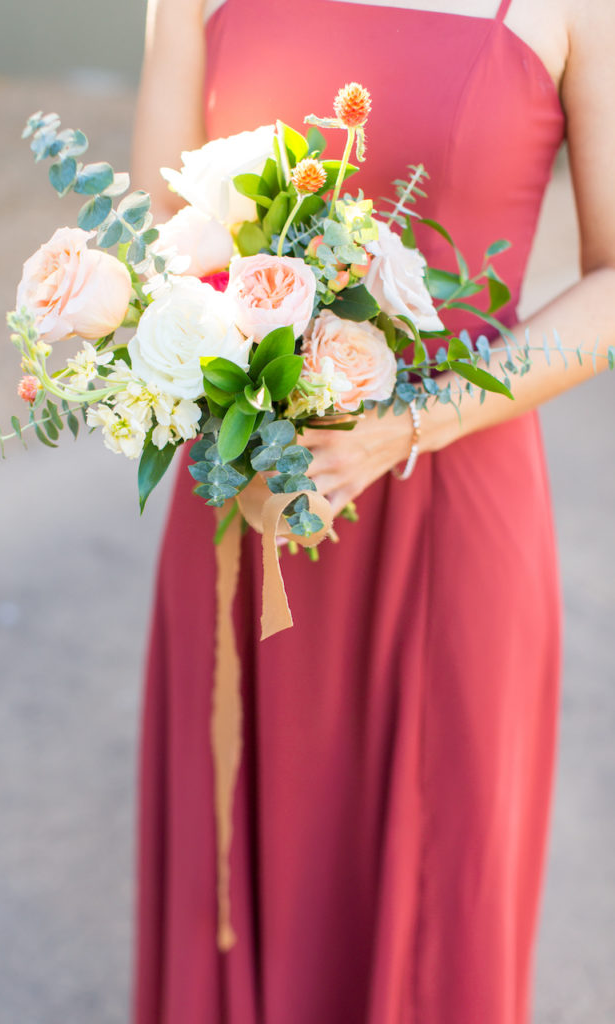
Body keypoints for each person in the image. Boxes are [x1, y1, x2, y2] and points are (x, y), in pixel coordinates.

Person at [130, 1, 615, 1022]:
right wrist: (226, 411)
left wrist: (411, 423)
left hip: (452, 505)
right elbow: (151, 251)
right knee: (237, 865)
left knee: (438, 899)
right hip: (244, 494)